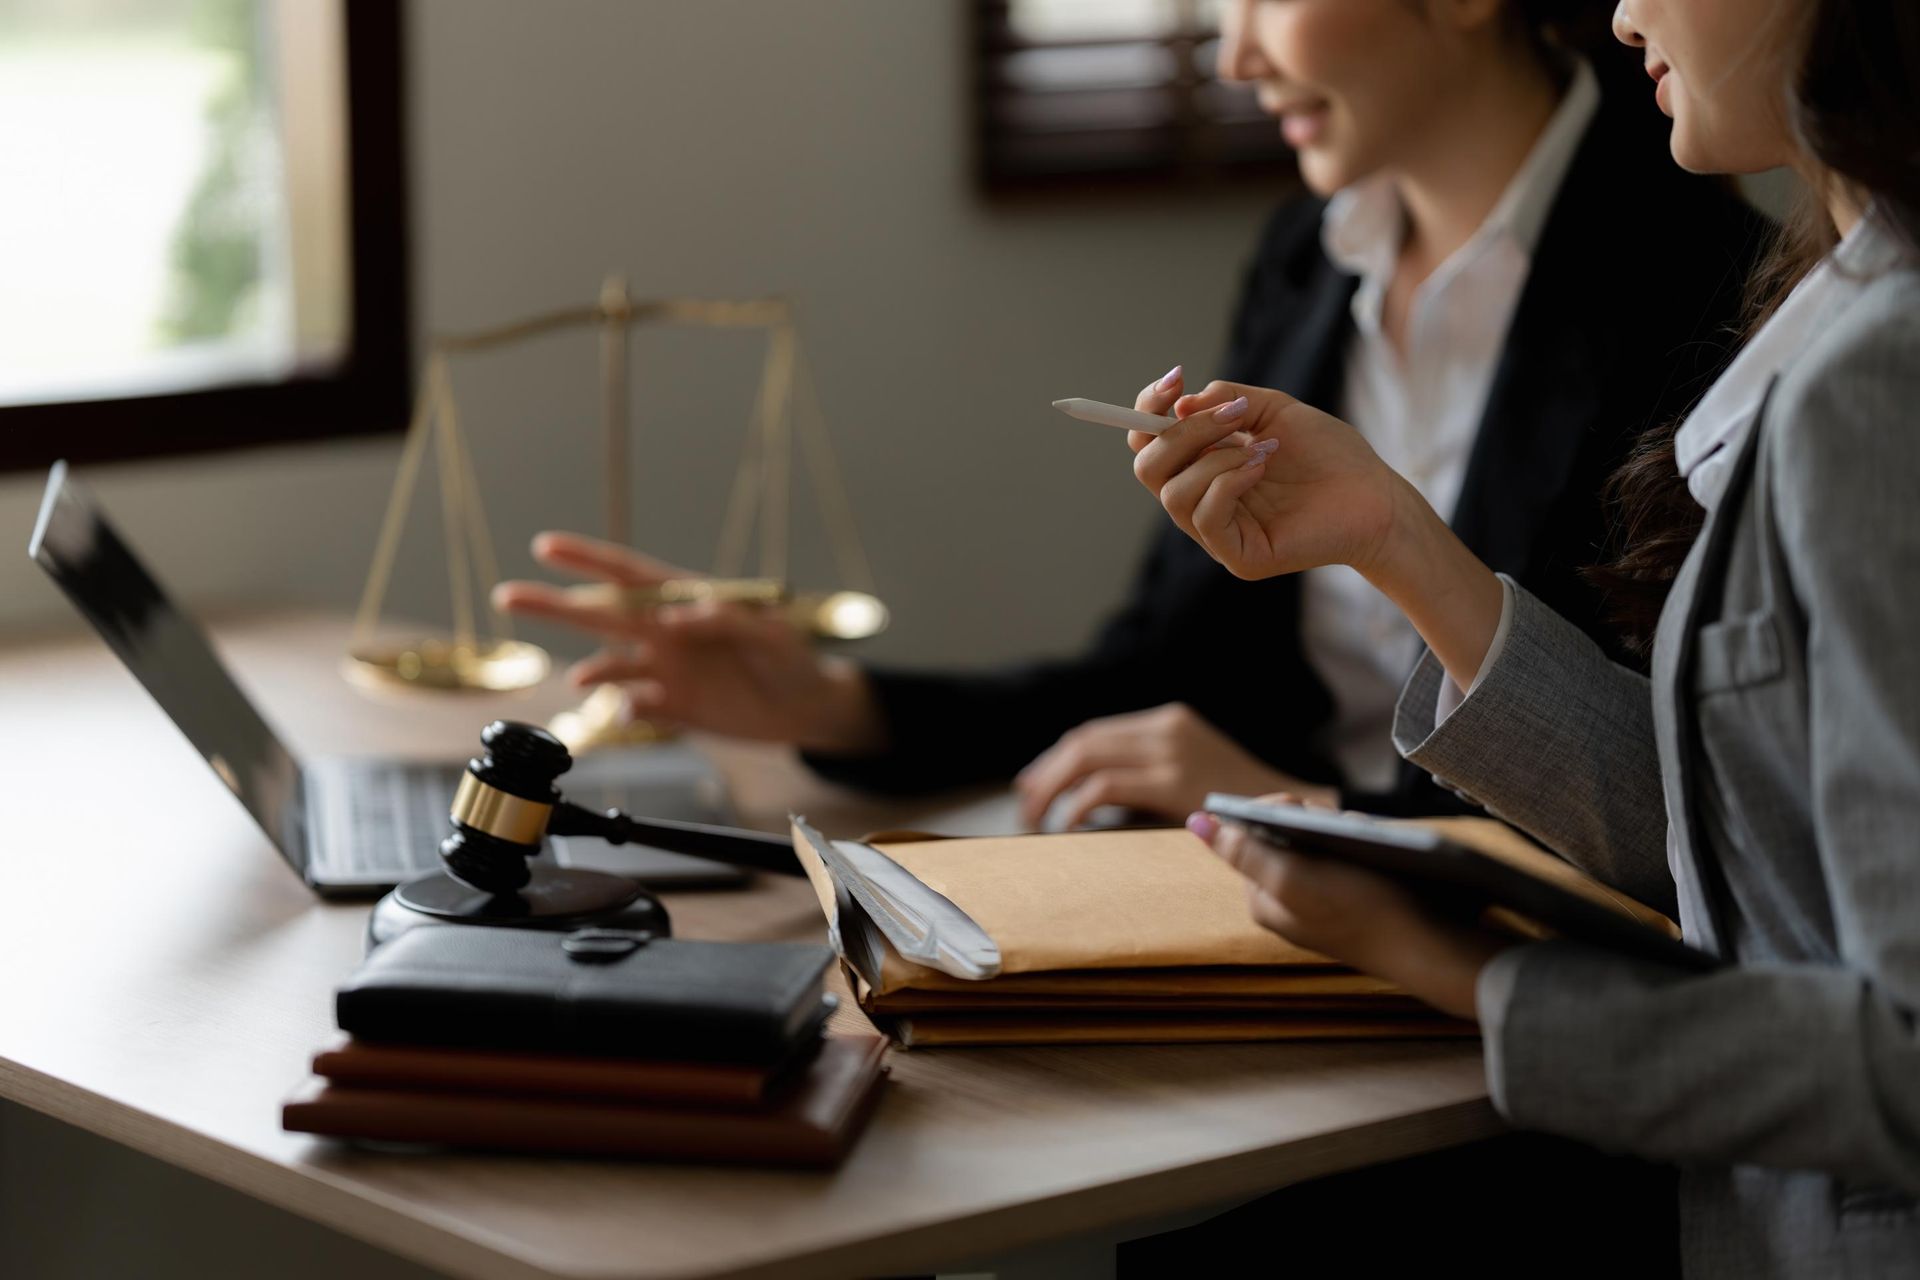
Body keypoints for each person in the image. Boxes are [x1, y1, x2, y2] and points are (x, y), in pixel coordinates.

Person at [500, 0, 1764, 831]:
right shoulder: (1309, 262)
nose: (1233, 55)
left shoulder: (1708, 291)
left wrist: (1293, 807)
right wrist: (838, 703)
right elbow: (1161, 674)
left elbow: (1667, 813)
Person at [1145, 0, 1920, 1272]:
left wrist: (1459, 969)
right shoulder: (1840, 316)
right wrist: (1395, 536)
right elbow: (1740, 849)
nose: (1618, 11)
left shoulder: (1880, 385)